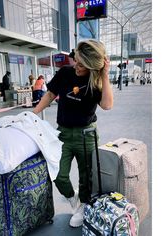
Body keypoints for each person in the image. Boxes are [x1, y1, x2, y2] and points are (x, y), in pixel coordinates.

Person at [33, 39, 113, 227]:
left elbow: (107, 105)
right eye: (76, 60)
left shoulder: (96, 80)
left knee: (86, 177)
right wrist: (33, 114)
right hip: (62, 135)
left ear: (93, 65)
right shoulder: (65, 73)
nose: (76, 65)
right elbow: (50, 94)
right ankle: (75, 201)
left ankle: (84, 205)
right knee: (59, 175)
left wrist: (105, 76)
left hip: (87, 135)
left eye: (82, 63)